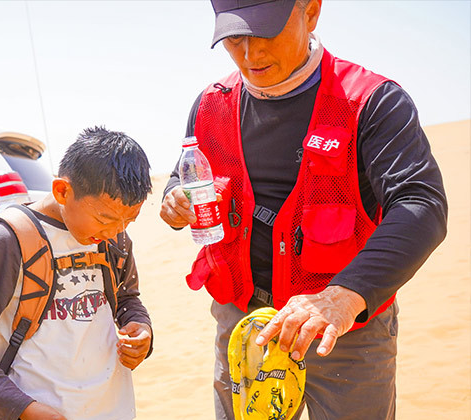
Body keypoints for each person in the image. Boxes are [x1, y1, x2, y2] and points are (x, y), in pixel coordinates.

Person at [159, 1, 447, 419]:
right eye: (235, 38)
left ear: (310, 12)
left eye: (266, 33)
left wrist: (343, 297)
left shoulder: (371, 101)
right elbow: (184, 175)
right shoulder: (210, 105)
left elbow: (421, 203)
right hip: (245, 329)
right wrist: (174, 197)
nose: (251, 53)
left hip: (342, 334)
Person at [0, 126, 153, 420]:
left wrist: (141, 328)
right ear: (62, 191)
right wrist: (24, 410)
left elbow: (127, 298)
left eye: (129, 221)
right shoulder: (9, 240)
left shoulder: (114, 237)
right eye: (104, 219)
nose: (115, 231)